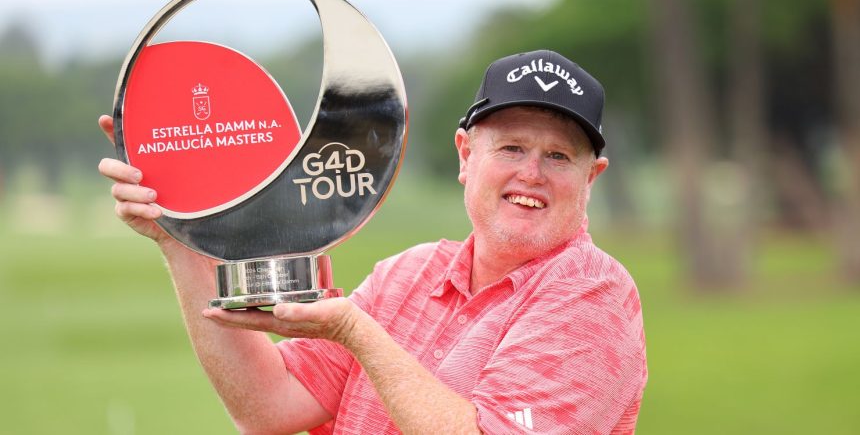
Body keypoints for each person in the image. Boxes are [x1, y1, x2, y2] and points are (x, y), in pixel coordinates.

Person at [98, 49, 647, 434]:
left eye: (558, 156)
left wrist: (356, 332)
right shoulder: (408, 275)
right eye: (510, 148)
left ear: (590, 177)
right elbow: (268, 407)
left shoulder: (593, 298)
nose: (531, 173)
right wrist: (179, 239)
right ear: (464, 155)